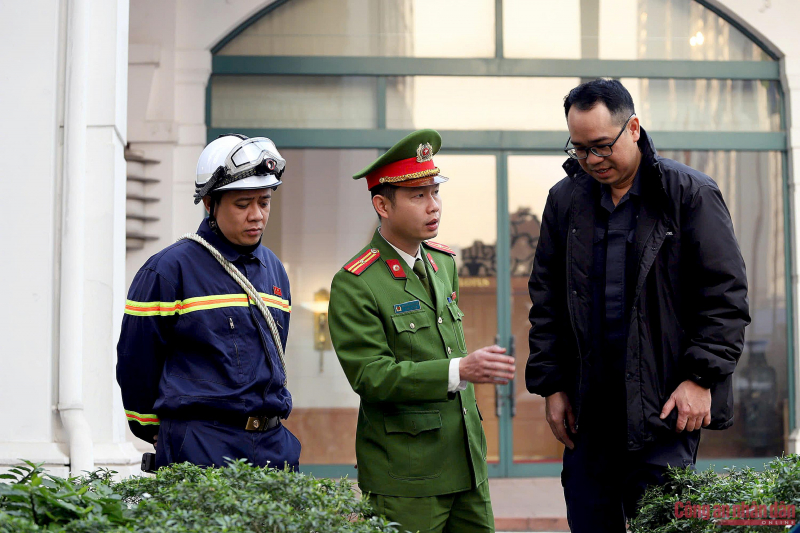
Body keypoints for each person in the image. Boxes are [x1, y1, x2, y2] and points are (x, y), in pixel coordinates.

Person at [525, 79, 750, 532]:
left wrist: (700, 378)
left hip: (665, 410)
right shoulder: (564, 201)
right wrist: (552, 387)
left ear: (633, 128)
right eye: (580, 148)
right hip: (589, 415)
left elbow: (725, 297)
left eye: (602, 146)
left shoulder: (689, 194)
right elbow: (546, 300)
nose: (592, 160)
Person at [328, 129, 515, 533]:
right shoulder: (355, 281)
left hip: (466, 462)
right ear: (382, 204)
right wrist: (459, 370)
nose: (434, 206)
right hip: (407, 476)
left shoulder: (442, 263)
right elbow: (371, 376)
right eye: (418, 196)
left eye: (435, 192)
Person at [117, 134, 301, 471]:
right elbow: (135, 364)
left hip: (274, 446)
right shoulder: (168, 270)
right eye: (243, 204)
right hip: (202, 446)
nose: (257, 215)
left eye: (265, 201)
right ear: (209, 203)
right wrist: (167, 434)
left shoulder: (275, 270)